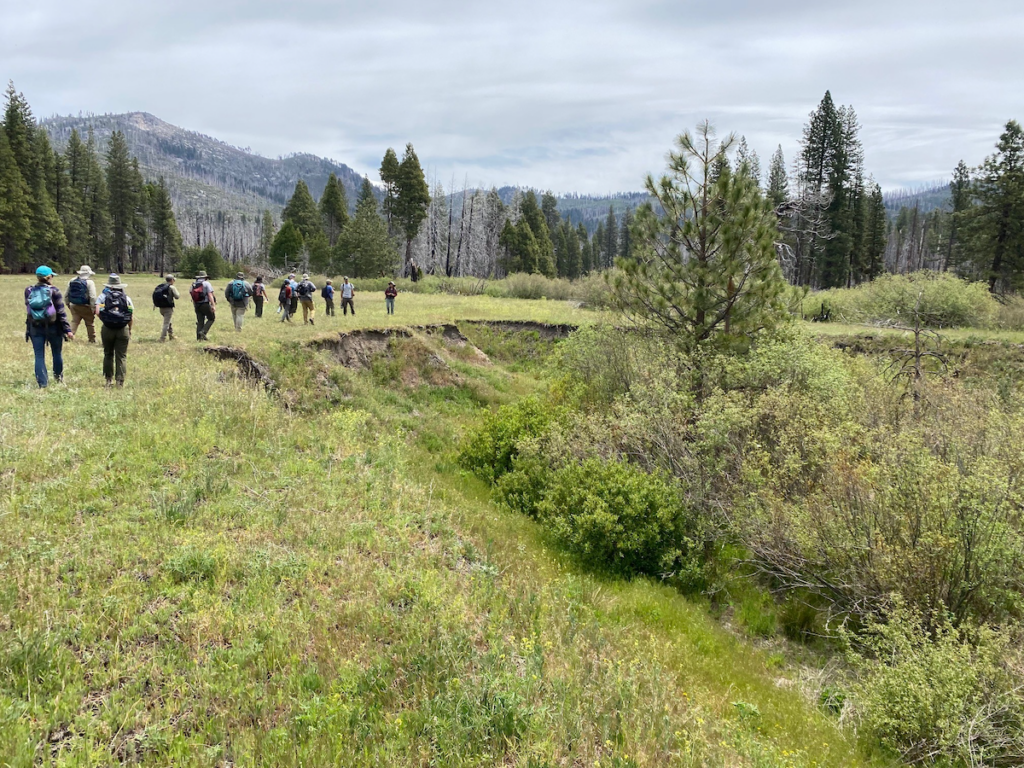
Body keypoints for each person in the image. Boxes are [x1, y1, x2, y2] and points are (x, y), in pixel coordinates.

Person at [25, 265, 73, 388]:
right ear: (50, 277)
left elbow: (29, 307)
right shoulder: (55, 291)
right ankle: (58, 378)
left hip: (35, 326)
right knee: (57, 353)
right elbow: (61, 312)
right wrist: (67, 329)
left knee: (39, 355)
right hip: (54, 327)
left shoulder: (29, 290)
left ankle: (43, 383)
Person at [95, 274, 133, 387]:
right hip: (122, 328)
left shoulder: (102, 297)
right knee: (121, 355)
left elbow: (97, 312)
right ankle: (120, 381)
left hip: (107, 328)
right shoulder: (126, 298)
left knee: (108, 354)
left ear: (109, 286)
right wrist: (129, 329)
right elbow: (130, 315)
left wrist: (106, 320)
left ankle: (108, 379)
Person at [66, 265, 98, 343]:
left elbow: (67, 294)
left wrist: (67, 304)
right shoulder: (90, 282)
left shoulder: (72, 280)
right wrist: (93, 307)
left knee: (74, 321)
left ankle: (69, 336)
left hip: (74, 305)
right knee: (89, 323)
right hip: (86, 306)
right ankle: (92, 339)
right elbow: (92, 296)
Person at [153, 274, 180, 342]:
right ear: (171, 280)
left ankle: (171, 335)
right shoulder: (171, 287)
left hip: (161, 308)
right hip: (168, 308)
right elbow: (177, 296)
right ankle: (162, 338)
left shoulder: (161, 286)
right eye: (173, 280)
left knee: (168, 322)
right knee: (166, 324)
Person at [190, 271, 216, 340]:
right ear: (205, 277)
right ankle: (203, 332)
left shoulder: (193, 284)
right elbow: (210, 295)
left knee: (200, 321)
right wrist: (213, 305)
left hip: (197, 304)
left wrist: (195, 305)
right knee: (211, 318)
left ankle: (199, 338)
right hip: (205, 304)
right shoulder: (207, 283)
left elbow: (192, 295)